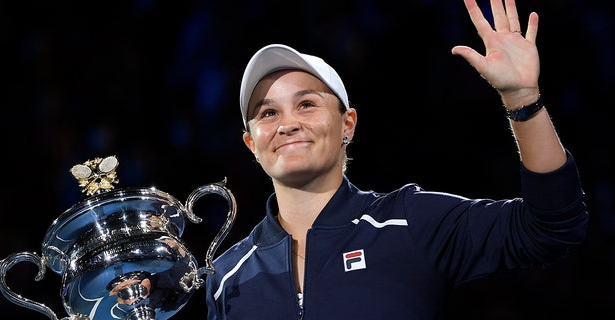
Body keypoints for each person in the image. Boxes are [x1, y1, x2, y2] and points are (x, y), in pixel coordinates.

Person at [205, 0, 589, 318]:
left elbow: (551, 227)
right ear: (251, 144)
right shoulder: (226, 277)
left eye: (306, 104)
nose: (287, 124)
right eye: (268, 113)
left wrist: (522, 99)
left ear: (347, 125)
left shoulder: (410, 223)